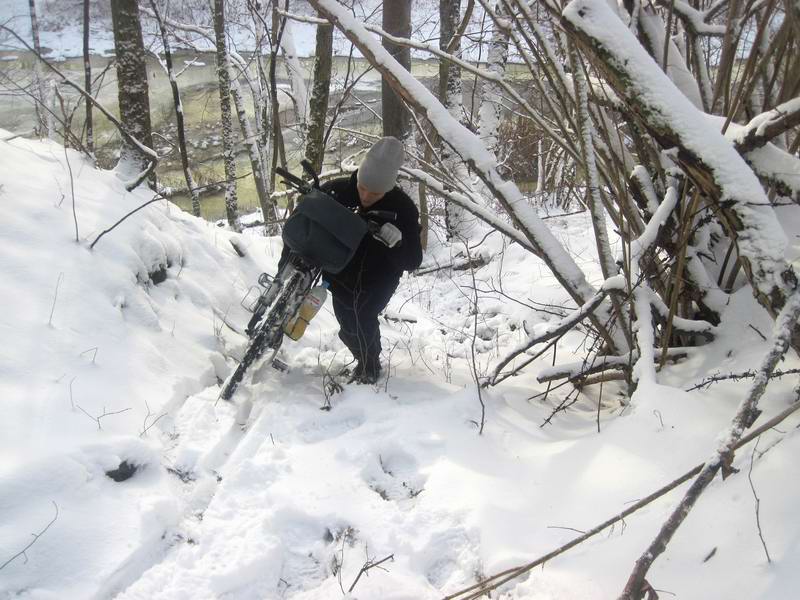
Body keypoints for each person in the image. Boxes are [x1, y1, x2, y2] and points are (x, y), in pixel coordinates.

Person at [317, 137, 423, 383]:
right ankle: (362, 357)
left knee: (362, 320)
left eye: (374, 193)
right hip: (340, 273)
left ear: (388, 187)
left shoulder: (403, 208)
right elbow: (308, 211)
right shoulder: (338, 190)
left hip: (379, 279)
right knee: (347, 328)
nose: (365, 196)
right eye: (362, 187)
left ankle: (369, 366)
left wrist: (397, 243)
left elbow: (412, 260)